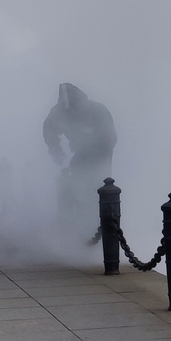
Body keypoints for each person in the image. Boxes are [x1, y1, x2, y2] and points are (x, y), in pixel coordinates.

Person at [43, 83, 118, 233]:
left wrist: (91, 150)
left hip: (100, 155)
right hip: (80, 154)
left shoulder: (97, 110)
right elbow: (49, 128)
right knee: (71, 182)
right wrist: (55, 150)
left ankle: (97, 224)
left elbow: (110, 139)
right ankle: (70, 221)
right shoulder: (59, 111)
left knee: (97, 187)